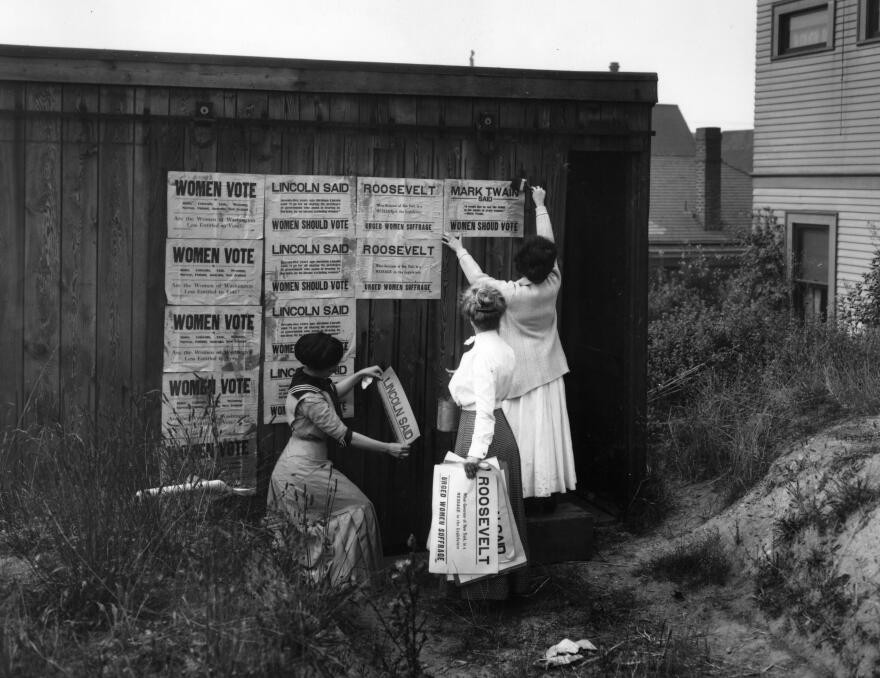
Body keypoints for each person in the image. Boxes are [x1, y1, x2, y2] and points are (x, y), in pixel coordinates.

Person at [442, 186, 576, 505]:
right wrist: (540, 205)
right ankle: (545, 495)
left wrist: (460, 249)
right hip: (550, 372)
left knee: (523, 438)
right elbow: (550, 245)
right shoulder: (553, 281)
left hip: (520, 379)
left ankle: (521, 495)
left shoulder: (513, 294)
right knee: (545, 440)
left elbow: (479, 280)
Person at [268, 332, 410, 585]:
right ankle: (350, 581)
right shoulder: (310, 399)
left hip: (303, 464)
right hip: (303, 470)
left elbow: (331, 392)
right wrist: (388, 448)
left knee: (344, 513)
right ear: (324, 366)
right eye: (335, 362)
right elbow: (345, 436)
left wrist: (358, 375)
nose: (337, 365)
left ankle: (339, 579)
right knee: (359, 508)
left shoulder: (306, 379)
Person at [447, 283, 529, 600]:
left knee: (479, 511)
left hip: (479, 432)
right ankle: (507, 586)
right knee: (499, 511)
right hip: (503, 431)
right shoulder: (504, 349)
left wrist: (474, 455)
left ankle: (484, 594)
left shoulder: (480, 355)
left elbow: (483, 410)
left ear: (470, 318)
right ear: (500, 317)